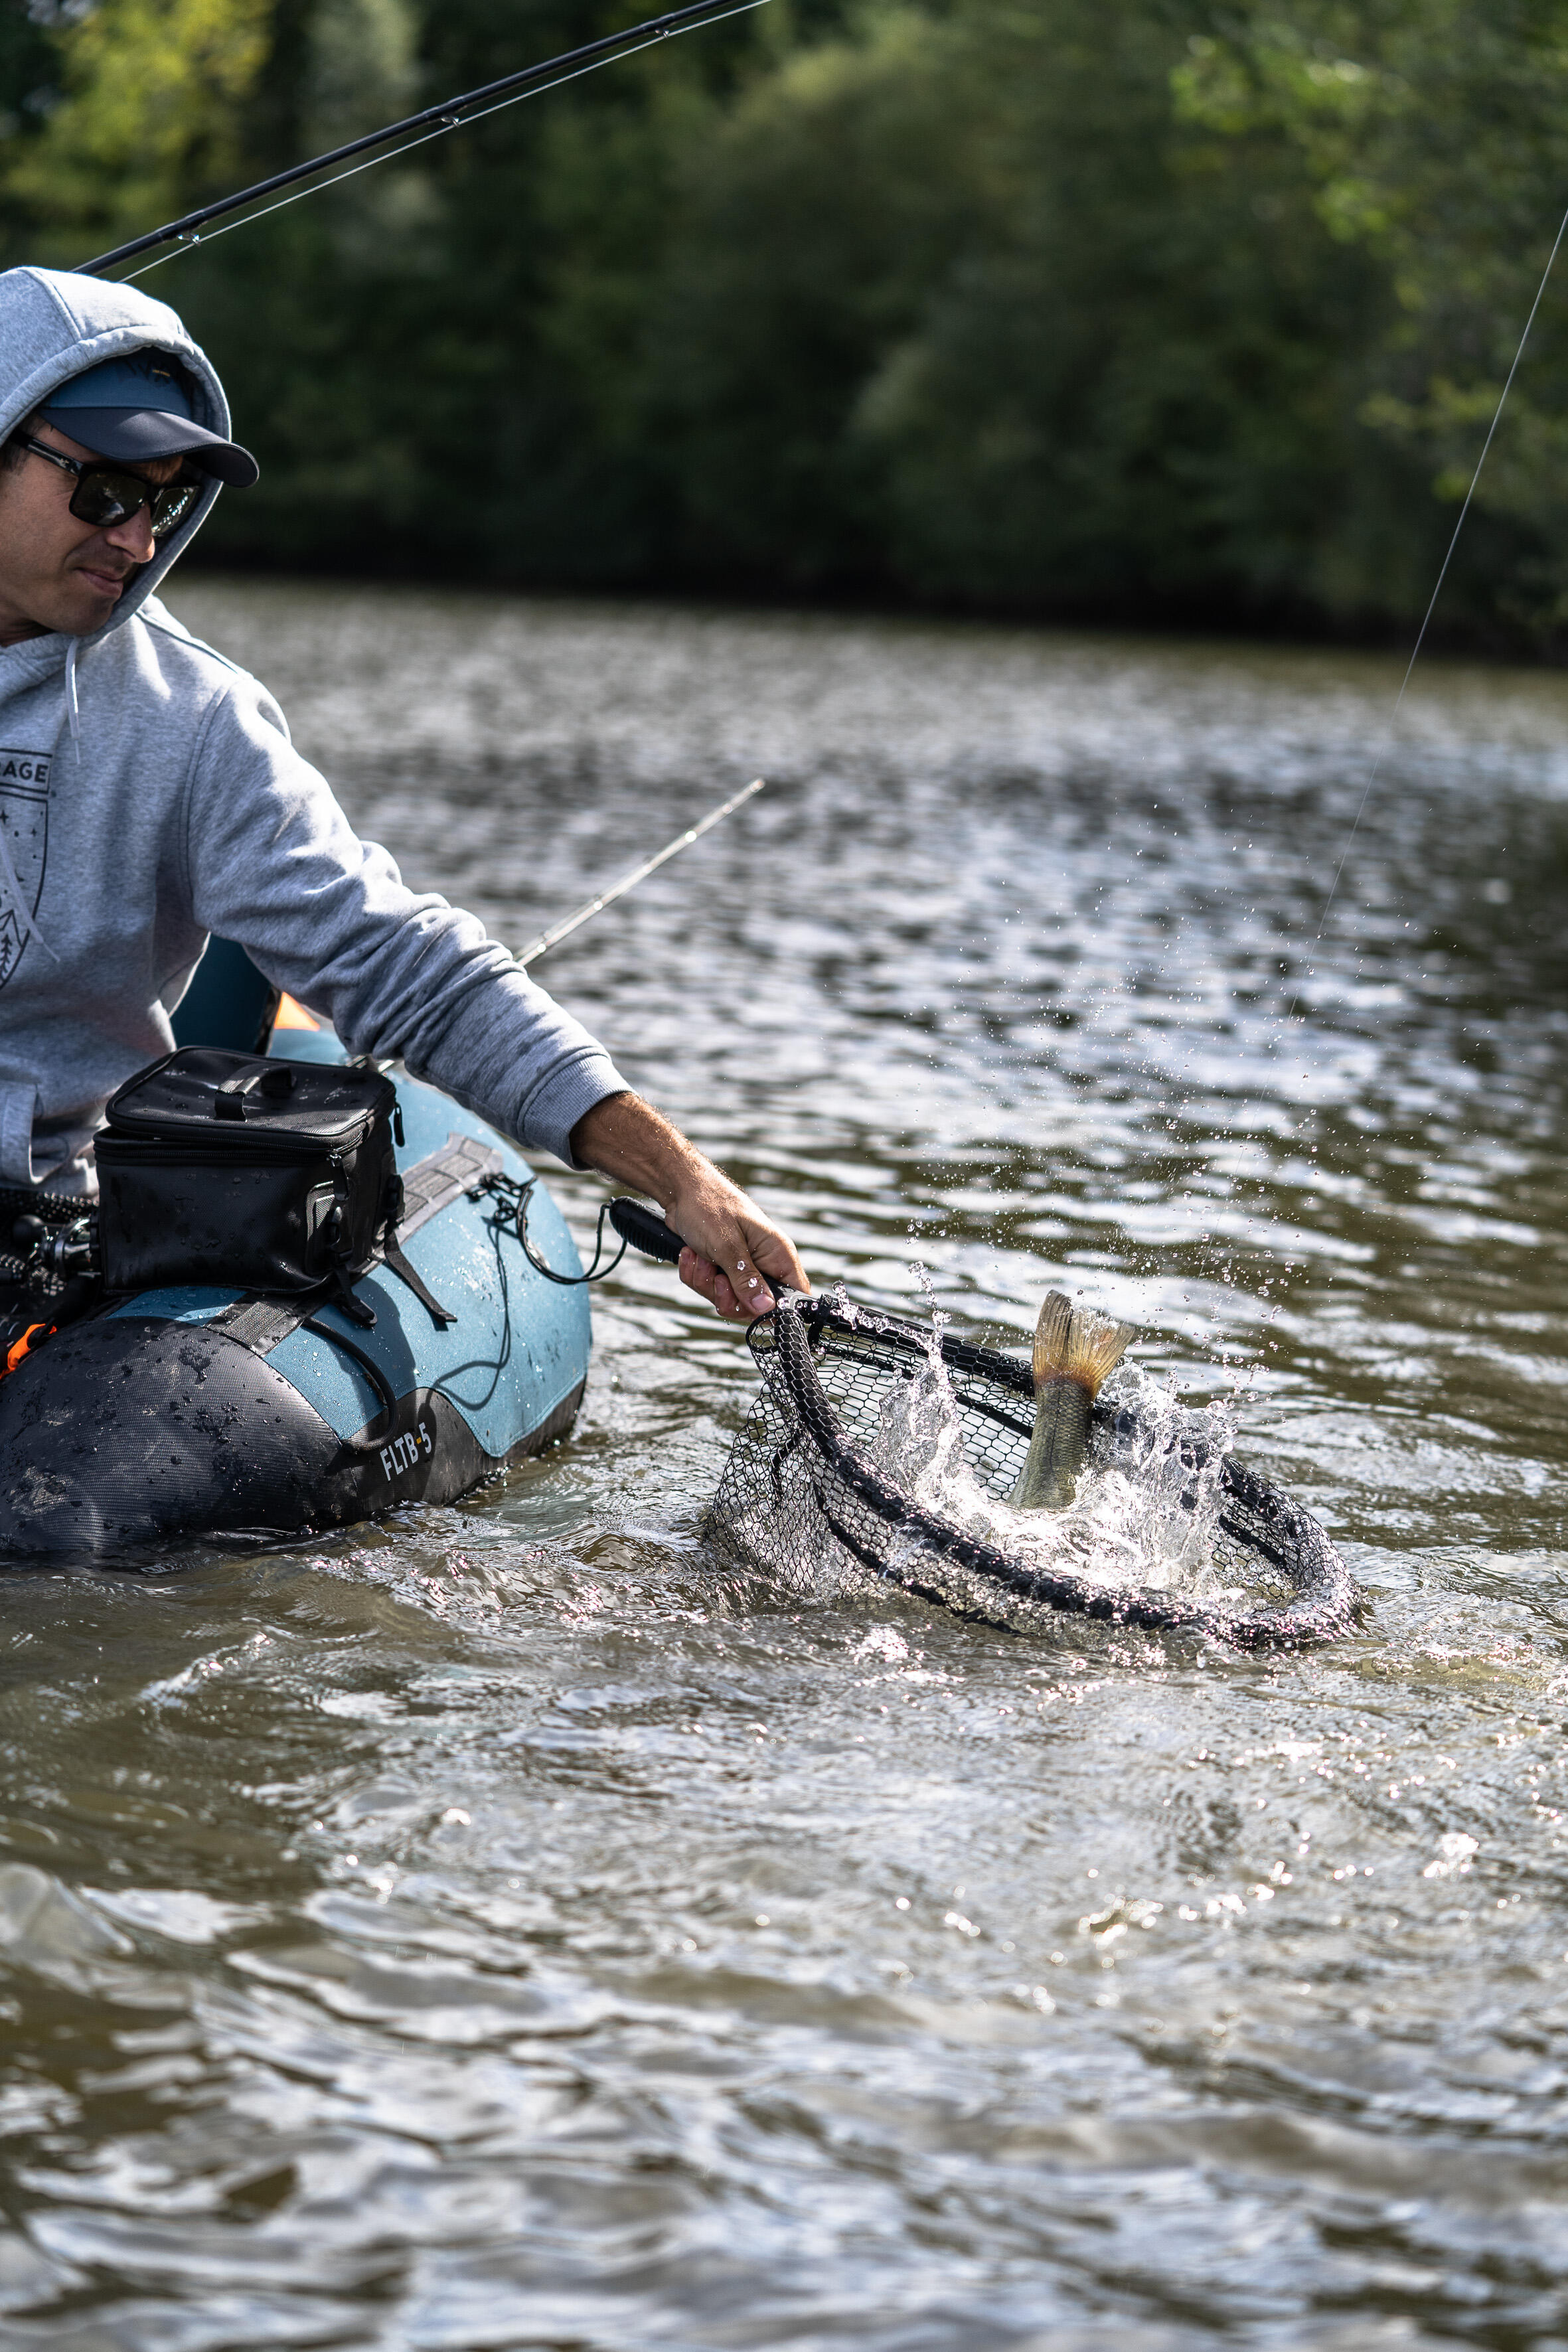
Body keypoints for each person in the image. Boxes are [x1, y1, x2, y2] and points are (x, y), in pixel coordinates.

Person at [0, 266, 805, 1322]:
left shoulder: (194, 722)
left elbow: (406, 966)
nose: (137, 541)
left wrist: (679, 1179)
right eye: (105, 491)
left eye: (165, 503)